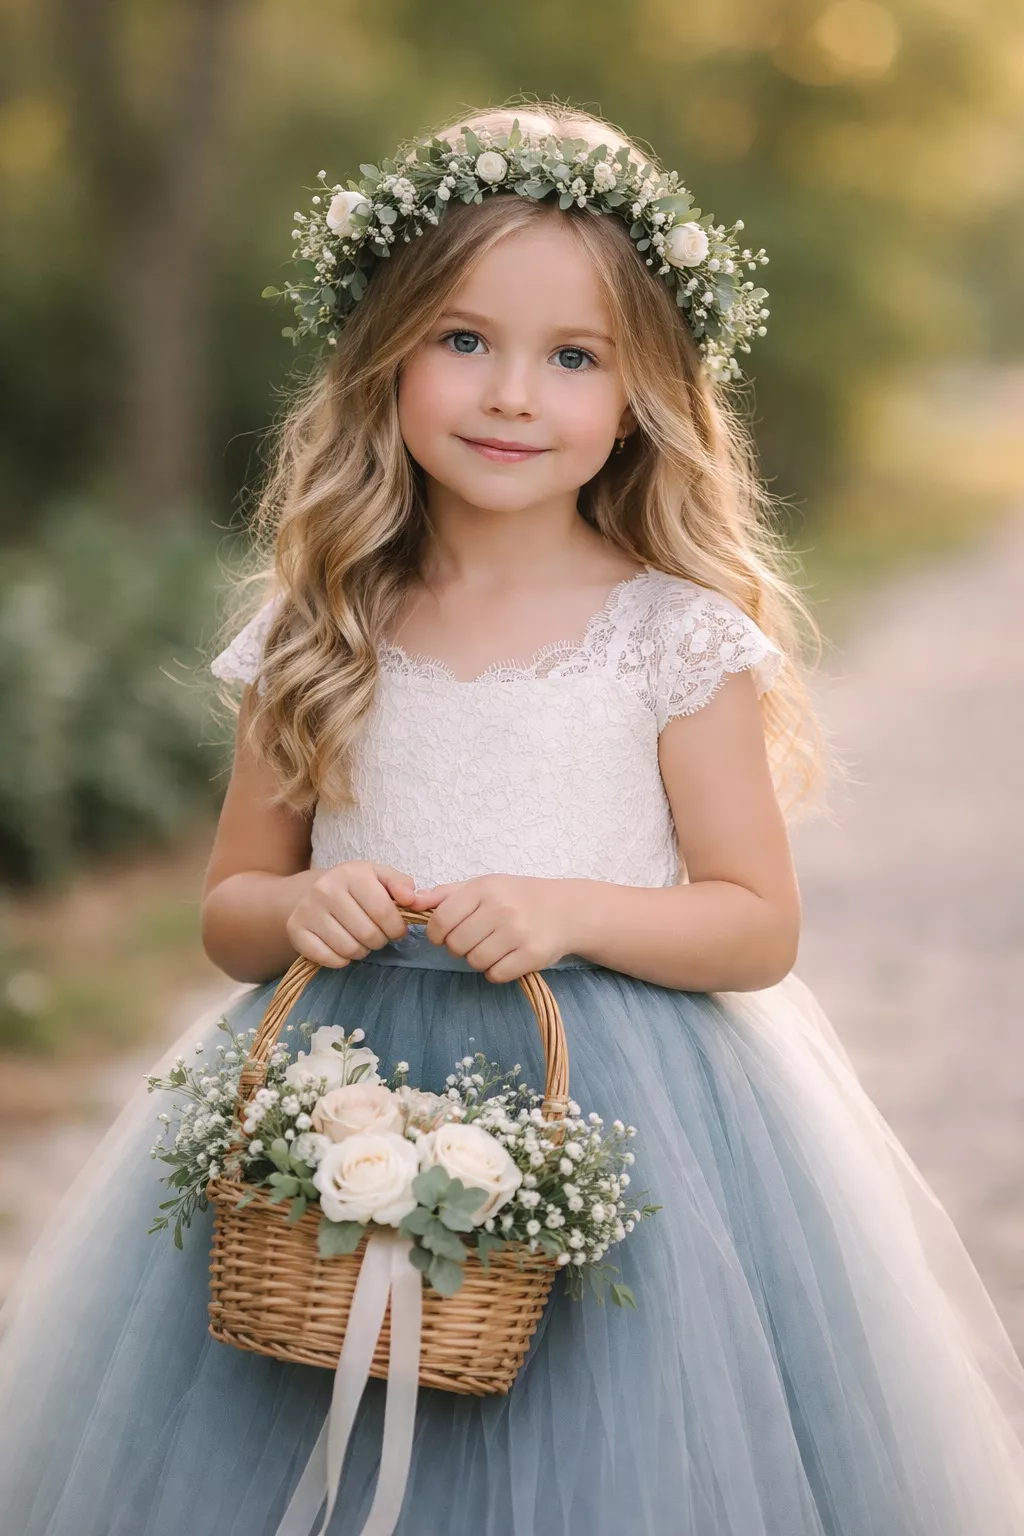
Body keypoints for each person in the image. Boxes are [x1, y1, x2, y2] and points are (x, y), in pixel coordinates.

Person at [2, 101, 1023, 1536]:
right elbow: (233, 907)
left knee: (594, 1453)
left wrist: (575, 908)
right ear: (387, 354)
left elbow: (755, 924)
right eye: (464, 340)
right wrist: (298, 907)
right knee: (308, 1434)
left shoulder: (674, 636)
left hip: (616, 1112)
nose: (511, 396)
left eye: (573, 358)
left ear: (641, 393)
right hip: (335, 1090)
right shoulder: (326, 623)